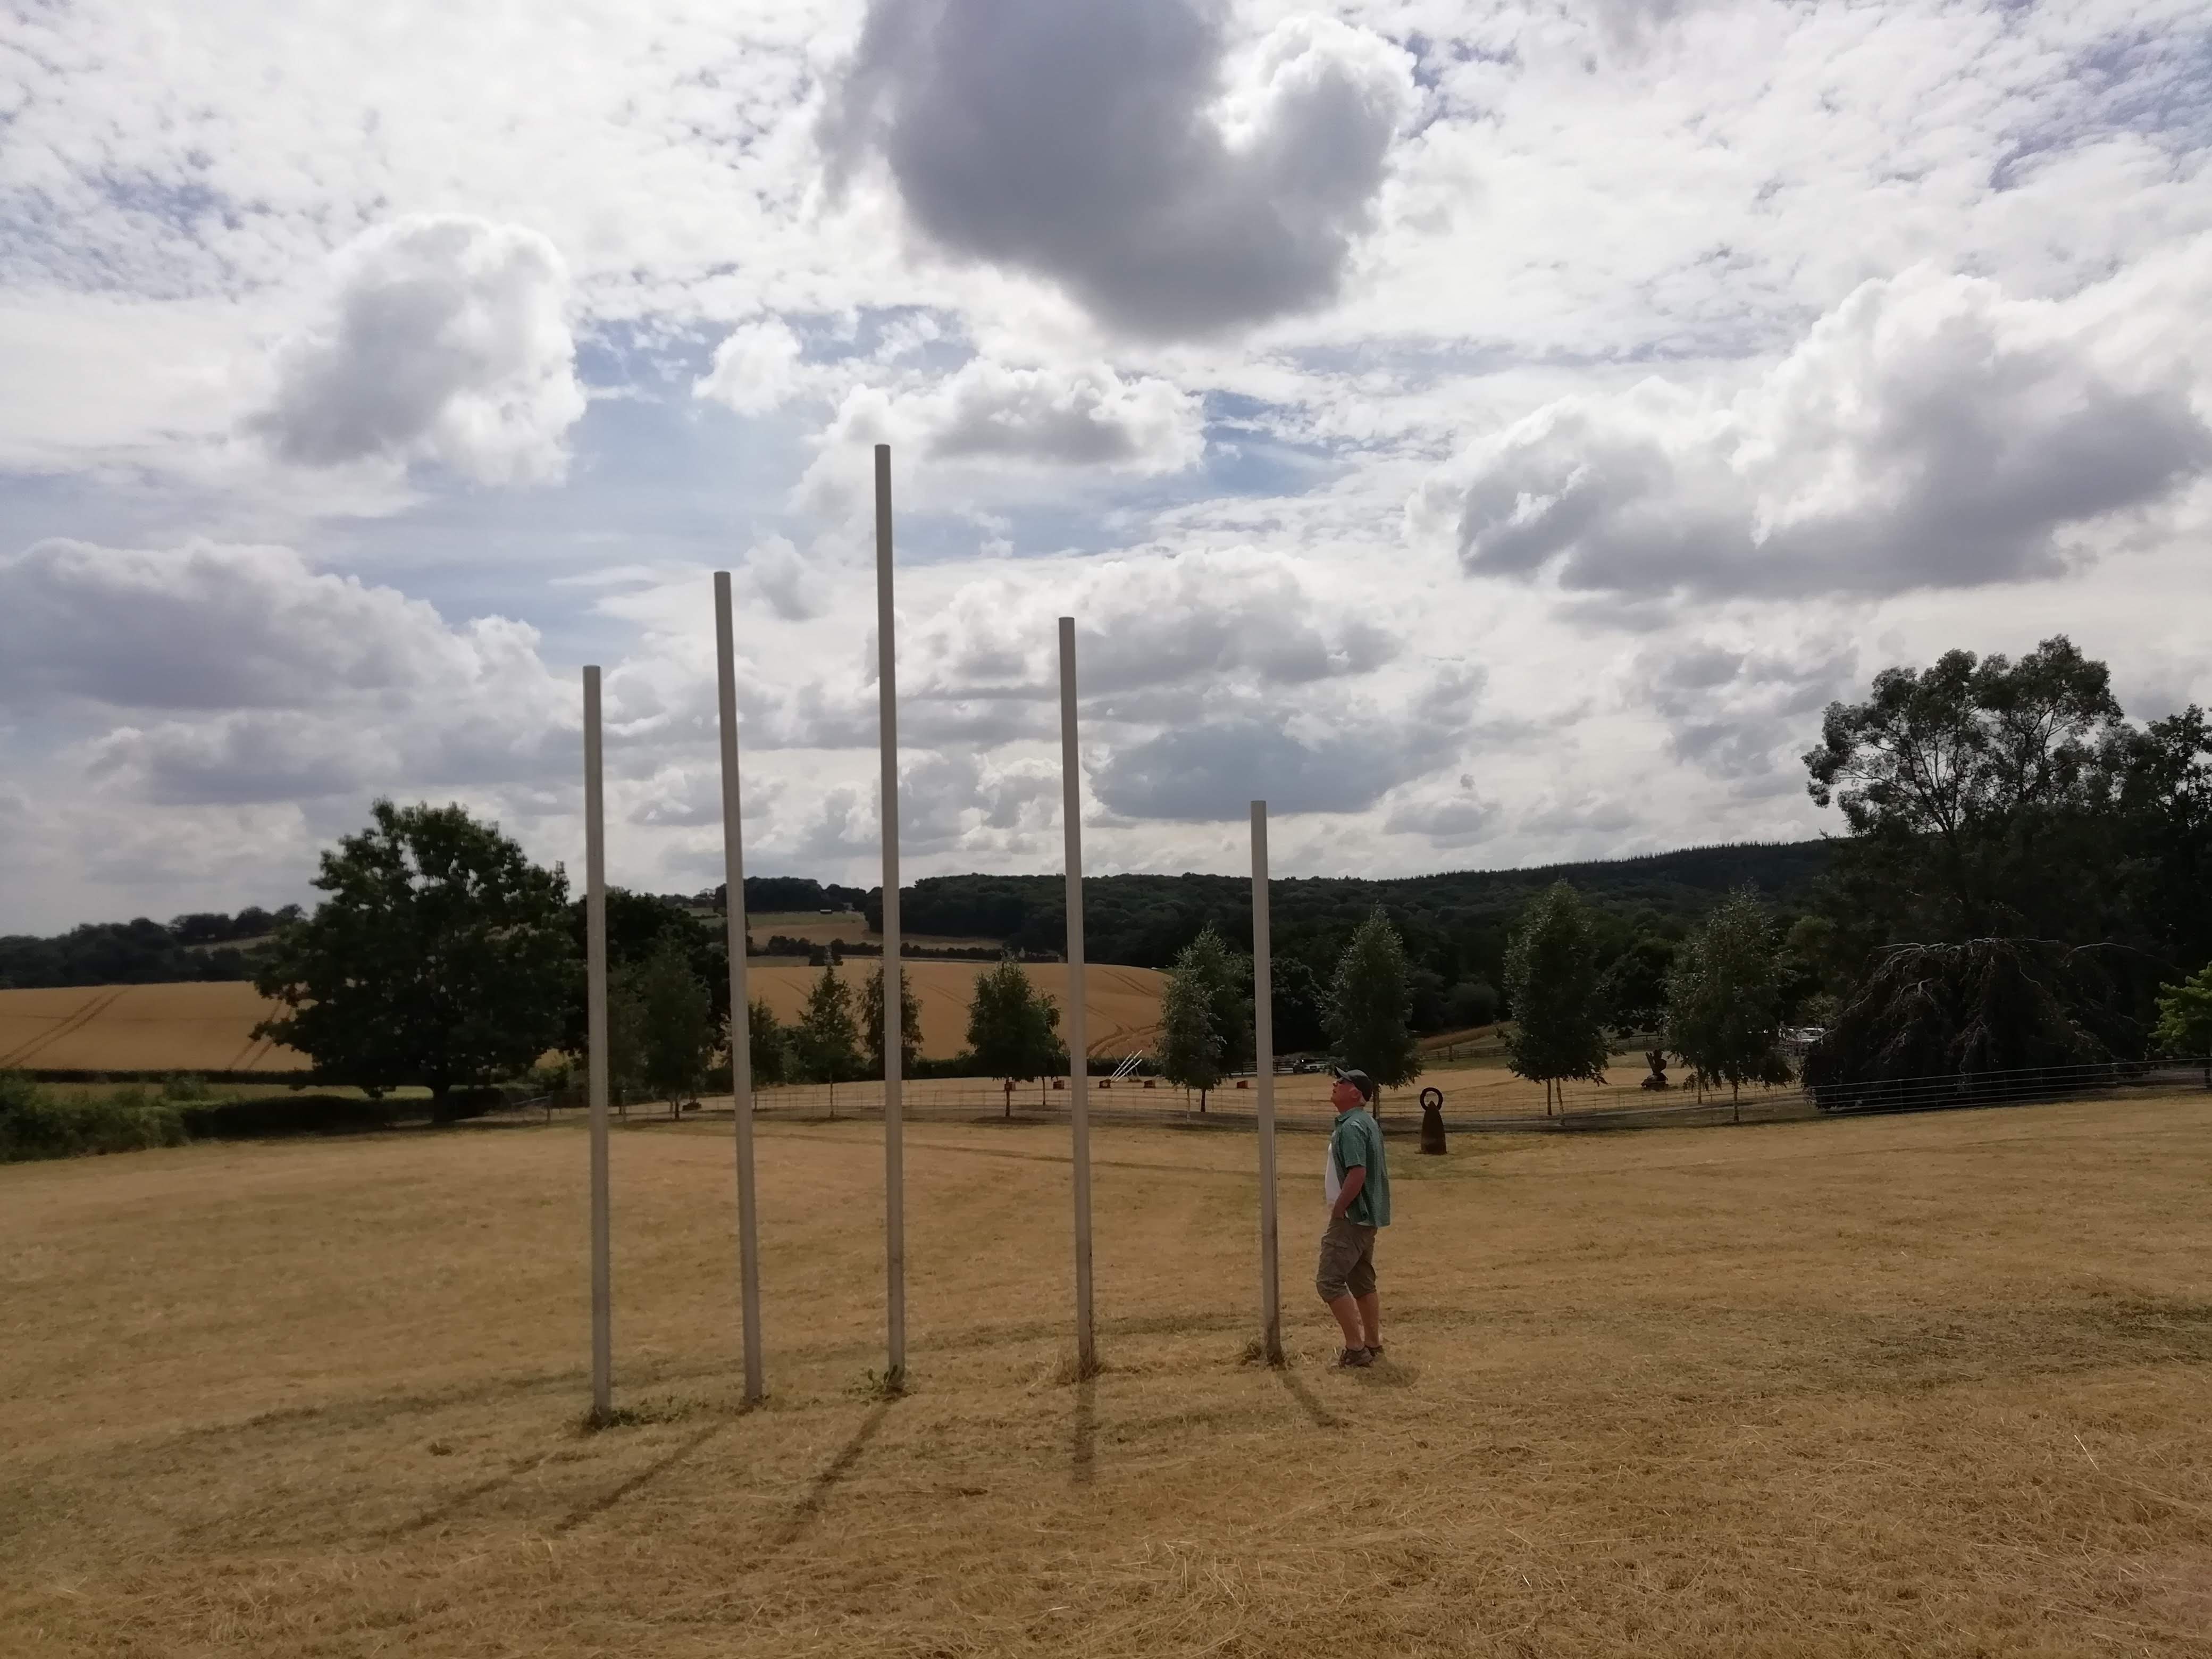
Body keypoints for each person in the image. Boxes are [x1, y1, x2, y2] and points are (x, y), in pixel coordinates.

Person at [1317, 1068, 1390, 1366]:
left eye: (1343, 1081)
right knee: (1362, 1280)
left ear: (1356, 1093)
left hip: (1351, 1217)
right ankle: (1372, 1343)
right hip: (1366, 1217)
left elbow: (1357, 1172)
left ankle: (1356, 1349)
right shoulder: (1367, 1122)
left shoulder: (1351, 1127)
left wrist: (1340, 1208)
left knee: (1329, 1281)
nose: (1335, 1083)